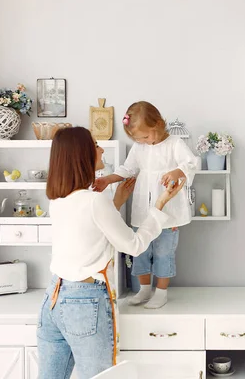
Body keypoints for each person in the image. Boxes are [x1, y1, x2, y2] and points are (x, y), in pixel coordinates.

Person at [37, 127, 184, 379]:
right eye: (95, 145)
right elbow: (134, 245)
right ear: (82, 154)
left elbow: (89, 231)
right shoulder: (95, 201)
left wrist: (116, 202)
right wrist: (159, 205)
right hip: (85, 302)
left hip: (53, 297)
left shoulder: (58, 200)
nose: (101, 149)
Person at [93, 101, 198, 309]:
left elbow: (192, 162)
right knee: (139, 252)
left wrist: (177, 172)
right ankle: (144, 289)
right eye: (138, 139)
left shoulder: (174, 143)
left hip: (168, 211)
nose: (143, 141)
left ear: (158, 124)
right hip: (142, 209)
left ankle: (161, 292)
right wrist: (107, 179)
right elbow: (127, 169)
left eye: (146, 136)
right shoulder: (139, 147)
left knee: (163, 252)